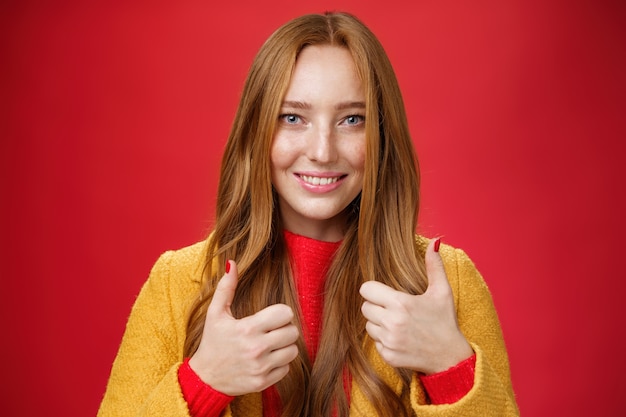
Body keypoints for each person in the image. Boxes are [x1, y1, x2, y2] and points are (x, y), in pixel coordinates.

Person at [98, 11, 519, 417]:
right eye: (293, 117)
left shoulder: (446, 286)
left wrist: (450, 368)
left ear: (382, 137)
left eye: (352, 119)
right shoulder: (178, 284)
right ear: (256, 131)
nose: (322, 151)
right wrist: (202, 384)